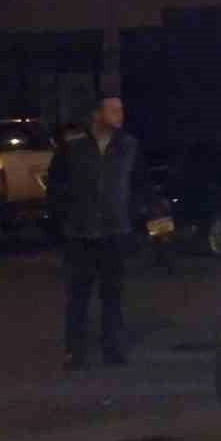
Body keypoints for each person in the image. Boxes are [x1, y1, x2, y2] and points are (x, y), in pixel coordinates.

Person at [47, 97, 155, 369]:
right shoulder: (73, 145)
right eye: (113, 110)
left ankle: (113, 350)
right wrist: (64, 217)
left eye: (121, 109)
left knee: (112, 296)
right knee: (78, 297)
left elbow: (140, 184)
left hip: (115, 232)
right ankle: (74, 352)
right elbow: (56, 184)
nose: (120, 114)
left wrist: (135, 215)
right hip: (80, 233)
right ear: (97, 114)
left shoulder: (129, 146)